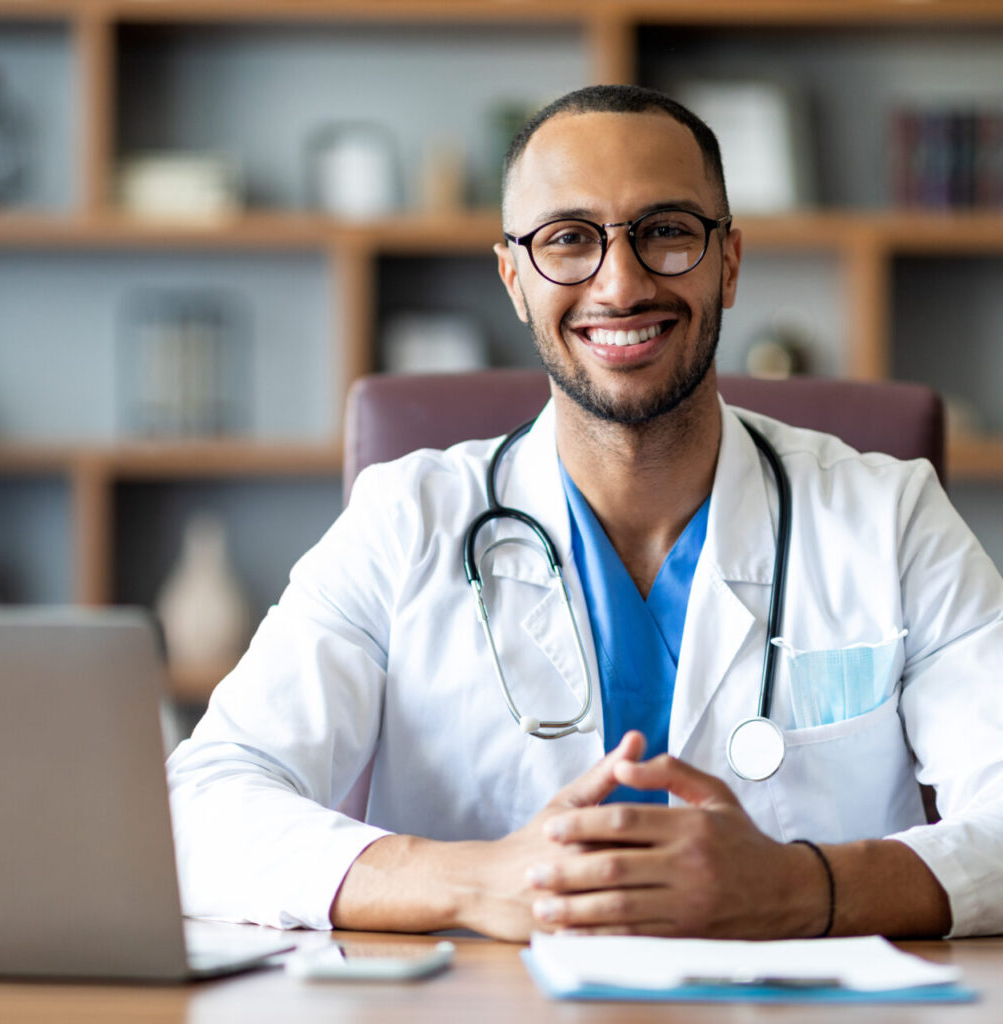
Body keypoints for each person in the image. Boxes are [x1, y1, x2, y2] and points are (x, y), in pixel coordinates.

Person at [167, 84, 1003, 942]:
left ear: (731, 262)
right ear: (515, 279)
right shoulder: (405, 519)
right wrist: (475, 883)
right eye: (568, 240)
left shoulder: (892, 518)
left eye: (667, 232)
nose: (621, 282)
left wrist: (803, 887)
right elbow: (200, 804)